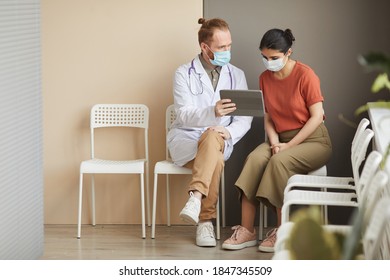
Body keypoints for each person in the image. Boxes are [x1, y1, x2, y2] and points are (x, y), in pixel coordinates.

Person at [222, 28, 332, 253]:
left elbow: (317, 117)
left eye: (274, 58)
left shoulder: (305, 75)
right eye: (264, 57)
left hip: (313, 141)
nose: (268, 62)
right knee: (254, 159)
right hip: (280, 139)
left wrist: (287, 147)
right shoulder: (265, 78)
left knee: (278, 162)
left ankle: (281, 230)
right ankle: (247, 230)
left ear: (288, 52)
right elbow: (269, 119)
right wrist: (274, 143)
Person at [167, 18, 253, 247]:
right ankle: (205, 221)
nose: (228, 51)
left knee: (213, 138)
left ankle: (196, 198)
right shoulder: (183, 73)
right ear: (205, 47)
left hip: (221, 137)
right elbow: (183, 114)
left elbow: (245, 118)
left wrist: (228, 130)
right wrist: (212, 111)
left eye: (229, 46)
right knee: (212, 153)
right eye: (222, 47)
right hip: (187, 138)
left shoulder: (237, 75)